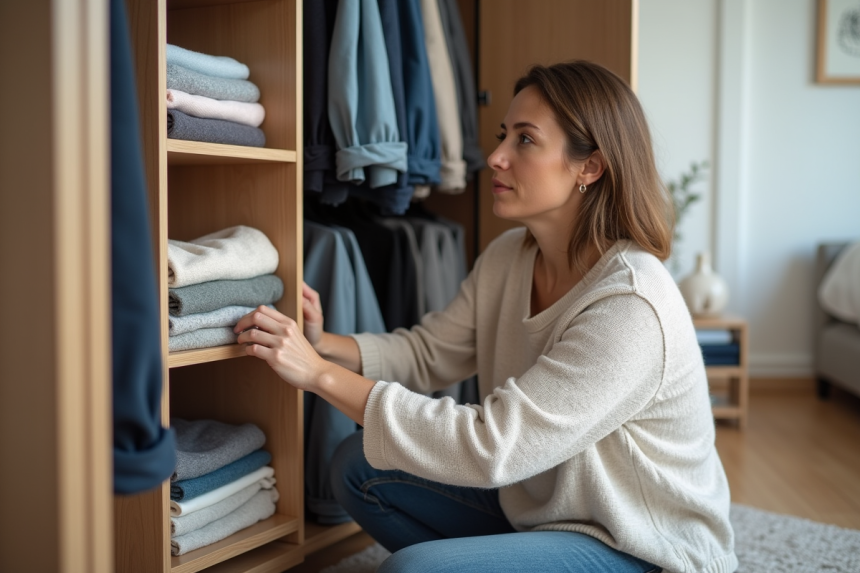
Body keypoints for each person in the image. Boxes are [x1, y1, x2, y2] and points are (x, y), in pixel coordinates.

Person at [234, 60, 737, 573]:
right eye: (503, 136)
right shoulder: (508, 257)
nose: (495, 157)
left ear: (590, 167)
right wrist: (323, 344)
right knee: (358, 465)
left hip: (642, 545)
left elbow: (490, 445)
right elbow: (430, 352)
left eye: (525, 140)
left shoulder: (631, 304)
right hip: (543, 513)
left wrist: (319, 375)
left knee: (413, 570)